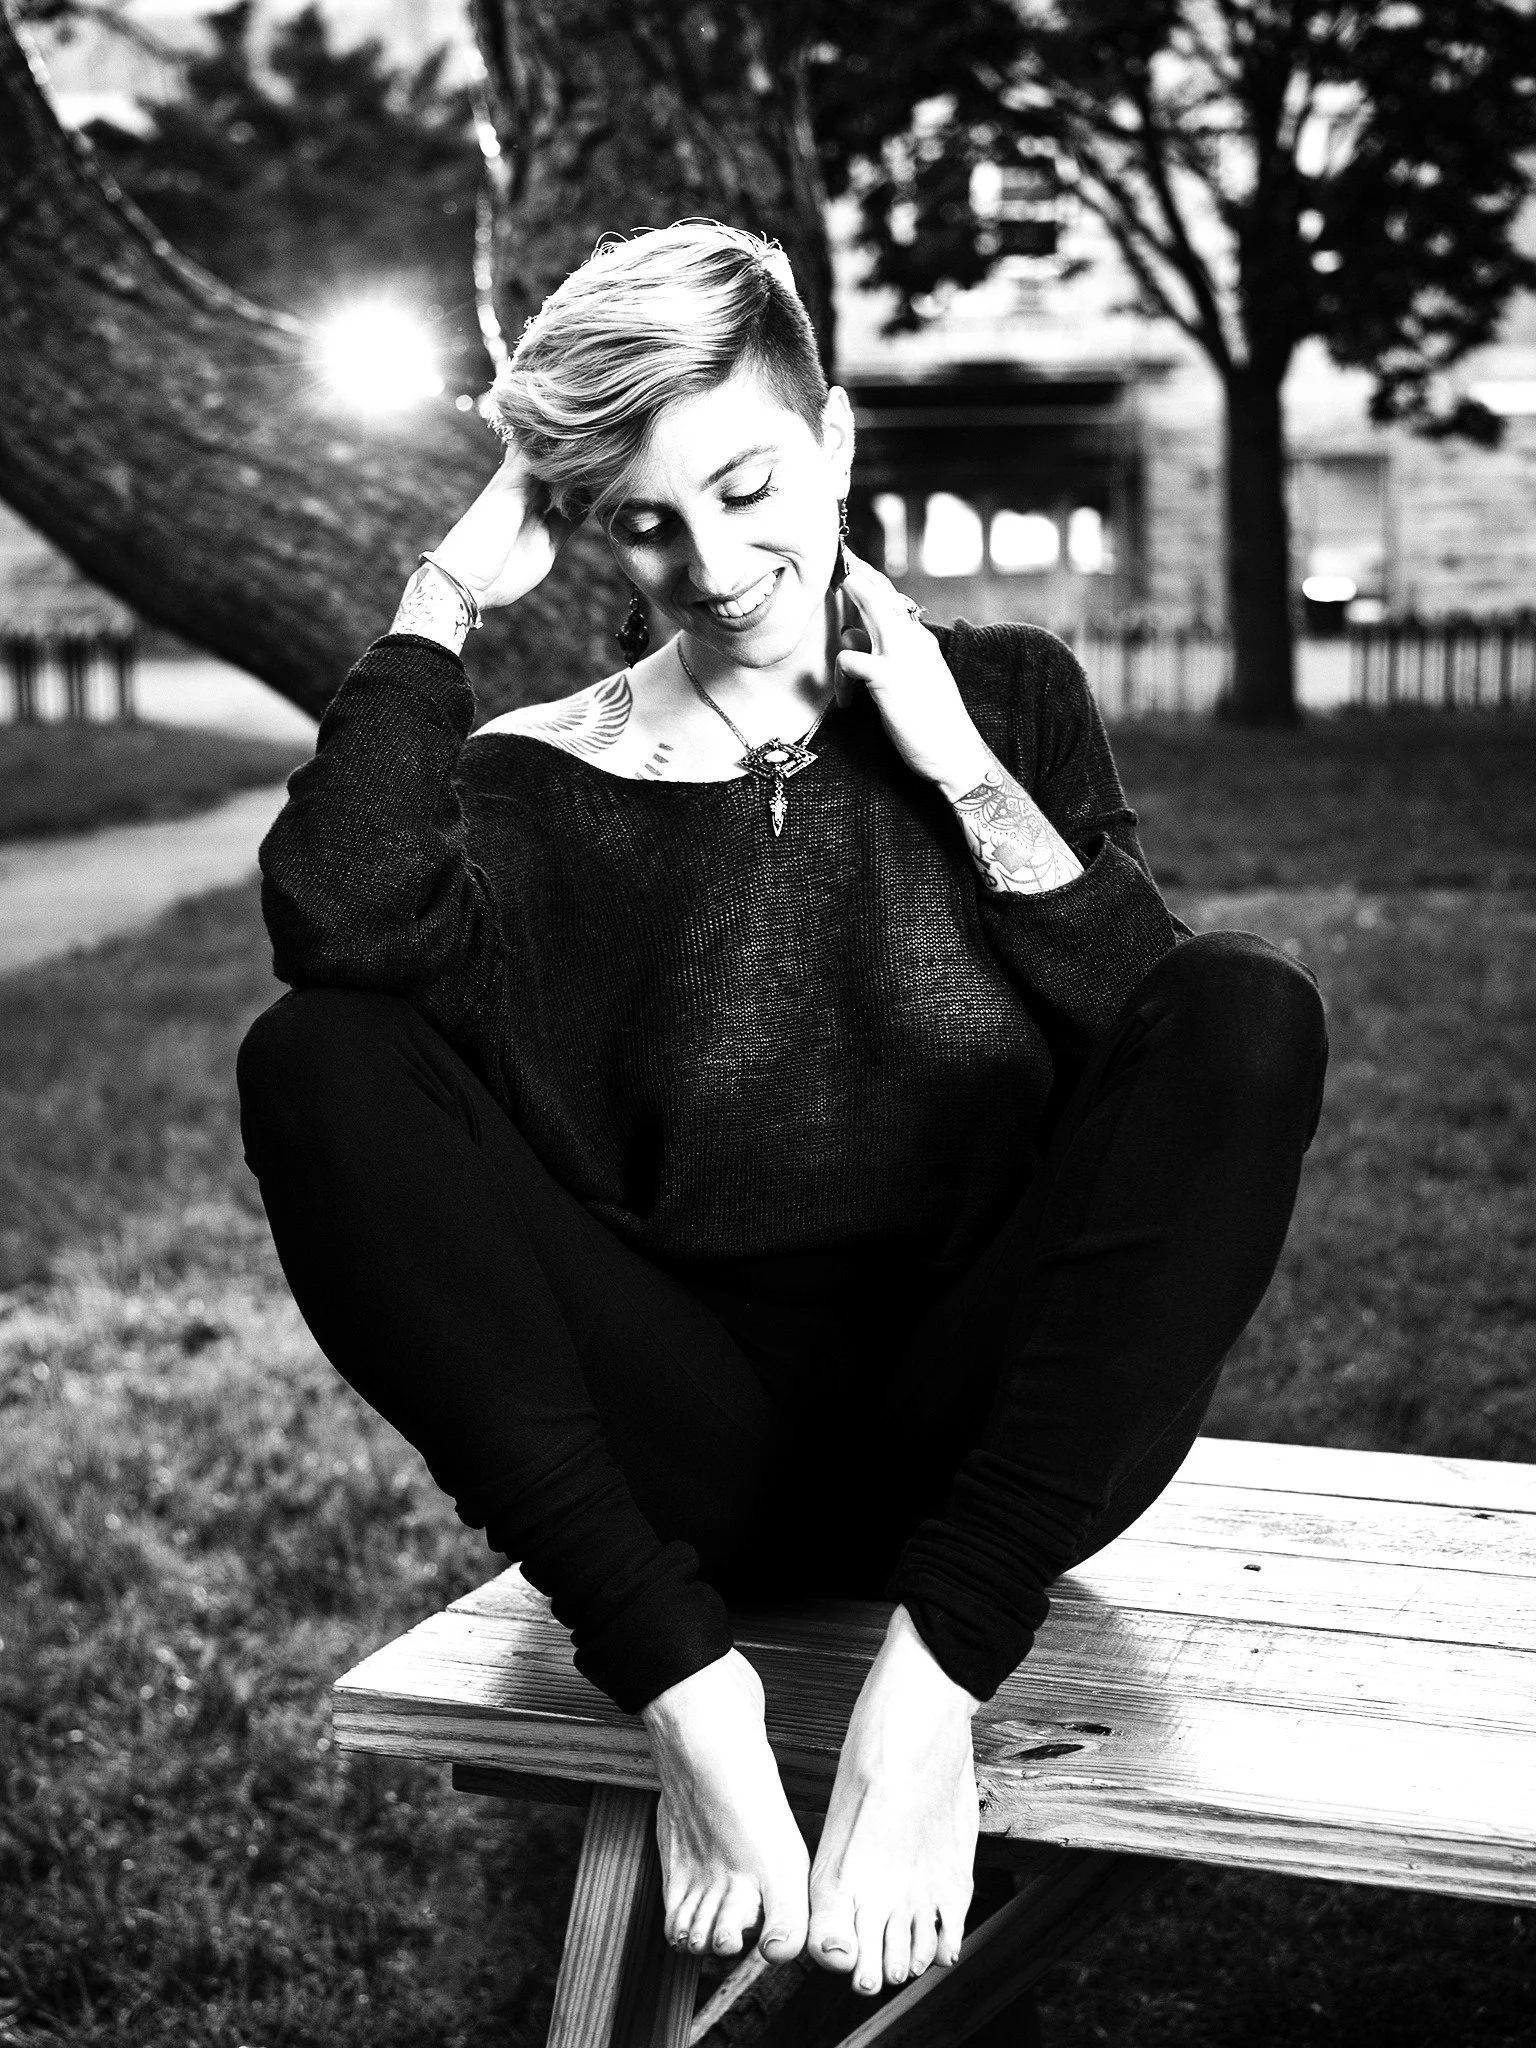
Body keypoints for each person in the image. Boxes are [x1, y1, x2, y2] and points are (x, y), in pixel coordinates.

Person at [236, 220, 1328, 2010]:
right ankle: (690, 1694)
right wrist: (444, 599)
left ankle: (926, 1699)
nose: (716, 564)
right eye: (646, 521)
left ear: (833, 438)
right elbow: (335, 926)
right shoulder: (532, 780)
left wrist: (963, 772)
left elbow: (1185, 1067)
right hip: (687, 1454)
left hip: (999, 1437)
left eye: (749, 487)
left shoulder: (1012, 697)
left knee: (1253, 995)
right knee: (318, 1056)